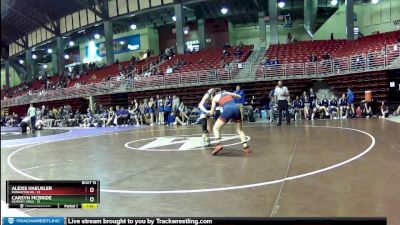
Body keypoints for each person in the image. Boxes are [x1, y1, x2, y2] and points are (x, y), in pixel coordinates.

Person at [206, 89, 250, 155]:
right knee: (239, 130)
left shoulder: (215, 98)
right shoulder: (226, 93)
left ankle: (218, 144)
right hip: (236, 109)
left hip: (228, 110)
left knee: (215, 128)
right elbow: (239, 96)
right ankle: (245, 147)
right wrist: (234, 95)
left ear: (213, 94)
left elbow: (212, 113)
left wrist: (207, 114)